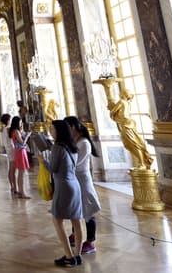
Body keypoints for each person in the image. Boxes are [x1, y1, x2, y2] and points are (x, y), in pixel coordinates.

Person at [38, 119, 84, 268]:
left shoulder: (58, 147)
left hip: (63, 186)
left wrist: (42, 160)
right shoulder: (72, 146)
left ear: (59, 131)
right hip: (74, 185)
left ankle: (69, 256)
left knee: (57, 220)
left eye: (52, 129)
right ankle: (78, 255)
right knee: (76, 221)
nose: (51, 131)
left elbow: (53, 169)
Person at [66, 116, 101, 255]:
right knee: (76, 208)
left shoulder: (84, 143)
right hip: (75, 178)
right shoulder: (76, 141)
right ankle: (75, 235)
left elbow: (77, 162)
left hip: (83, 179)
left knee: (88, 210)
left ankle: (91, 242)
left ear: (73, 127)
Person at [109, 88, 153, 169]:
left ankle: (142, 163)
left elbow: (113, 112)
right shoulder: (127, 103)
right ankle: (142, 162)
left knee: (132, 144)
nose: (120, 94)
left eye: (121, 93)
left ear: (123, 94)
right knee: (134, 143)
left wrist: (111, 110)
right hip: (129, 123)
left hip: (126, 124)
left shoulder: (121, 102)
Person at [9, 115, 31, 199]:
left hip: (21, 152)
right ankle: (22, 192)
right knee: (21, 173)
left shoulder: (16, 131)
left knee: (21, 173)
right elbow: (22, 143)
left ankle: (21, 191)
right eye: (20, 122)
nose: (21, 123)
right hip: (20, 152)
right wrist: (27, 136)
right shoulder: (16, 131)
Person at [0, 114, 17, 194]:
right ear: (8, 120)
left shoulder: (4, 129)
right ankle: (14, 187)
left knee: (11, 168)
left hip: (9, 149)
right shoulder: (8, 128)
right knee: (12, 169)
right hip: (11, 149)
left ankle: (12, 186)